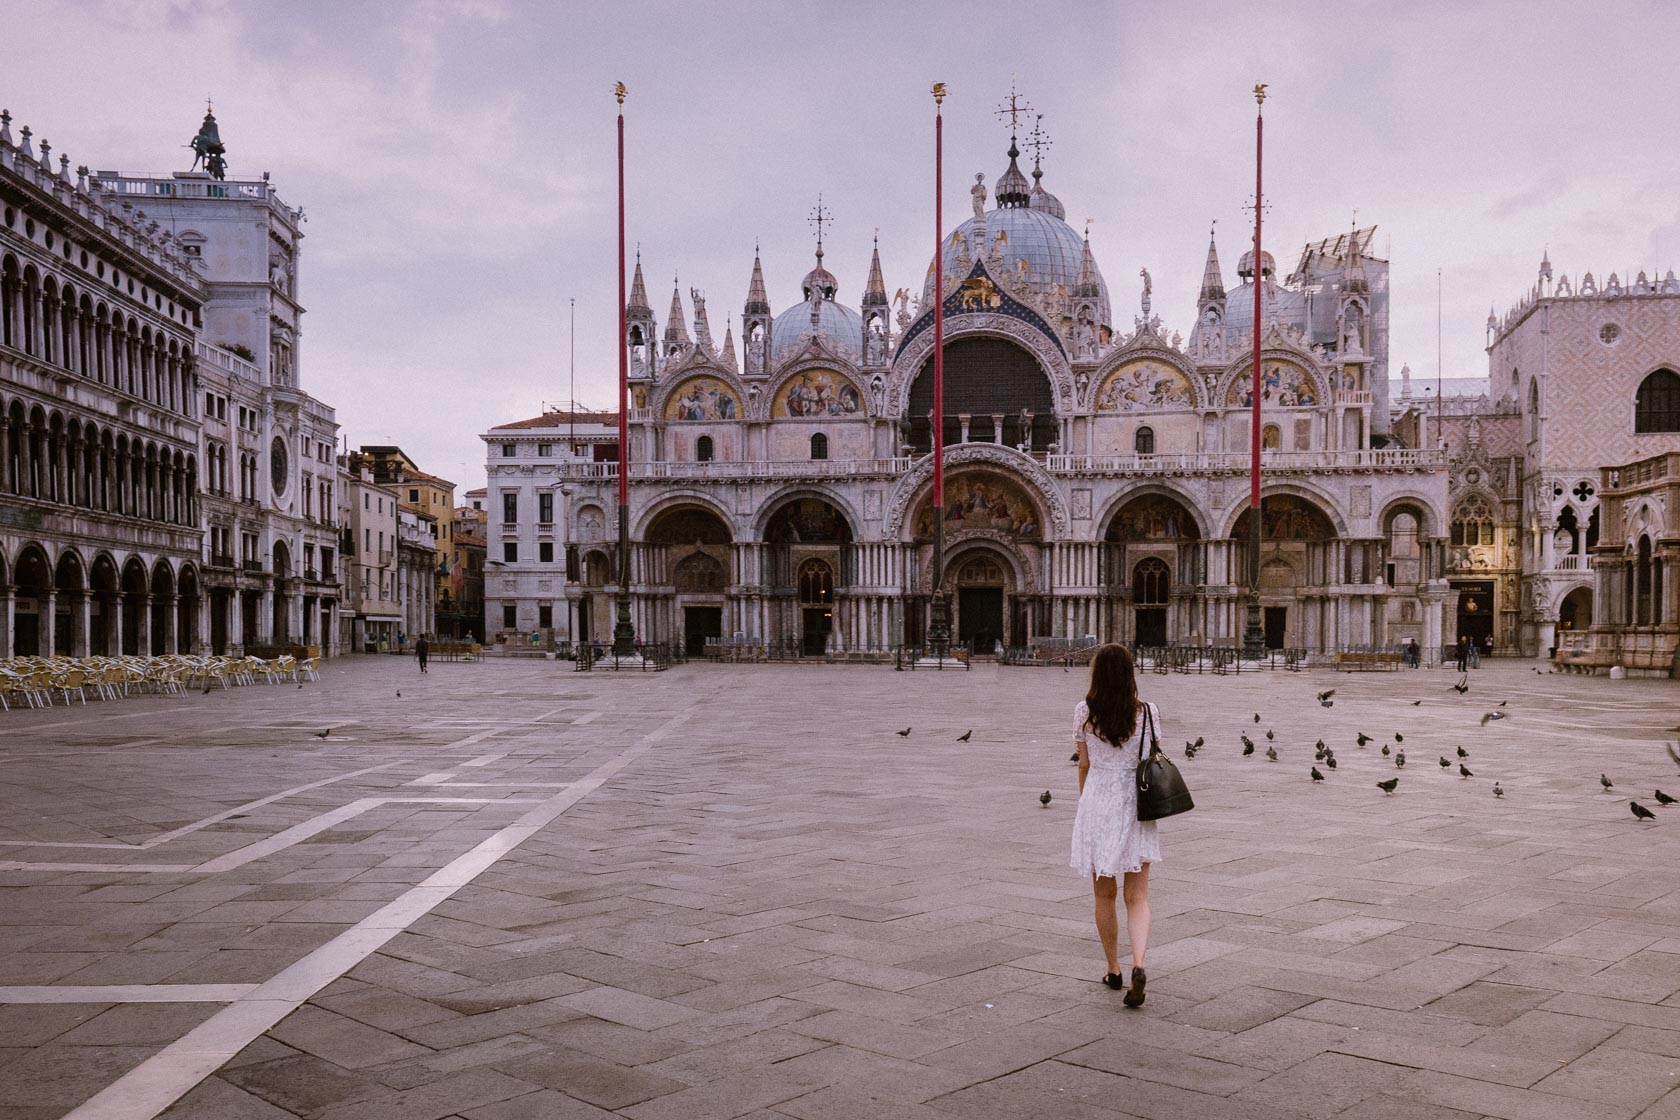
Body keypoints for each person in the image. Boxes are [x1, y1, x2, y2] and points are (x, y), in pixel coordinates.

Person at [1069, 644, 1161, 1007]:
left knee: (1103, 894)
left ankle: (1113, 968)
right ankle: (1139, 963)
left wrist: (1085, 803)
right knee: (1137, 897)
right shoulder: (1148, 712)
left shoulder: (1084, 711)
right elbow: (1152, 755)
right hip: (1136, 803)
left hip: (1099, 801)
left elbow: (1084, 764)